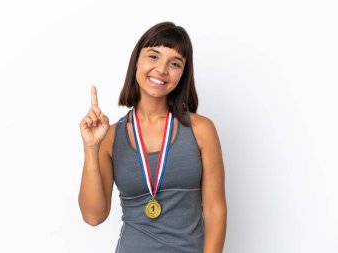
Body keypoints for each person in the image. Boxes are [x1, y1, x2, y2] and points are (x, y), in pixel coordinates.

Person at [78, 21, 227, 253]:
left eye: (175, 63)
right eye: (154, 56)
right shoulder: (110, 137)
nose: (162, 69)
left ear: (183, 74)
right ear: (136, 60)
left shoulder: (201, 130)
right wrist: (90, 148)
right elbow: (93, 216)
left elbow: (215, 211)